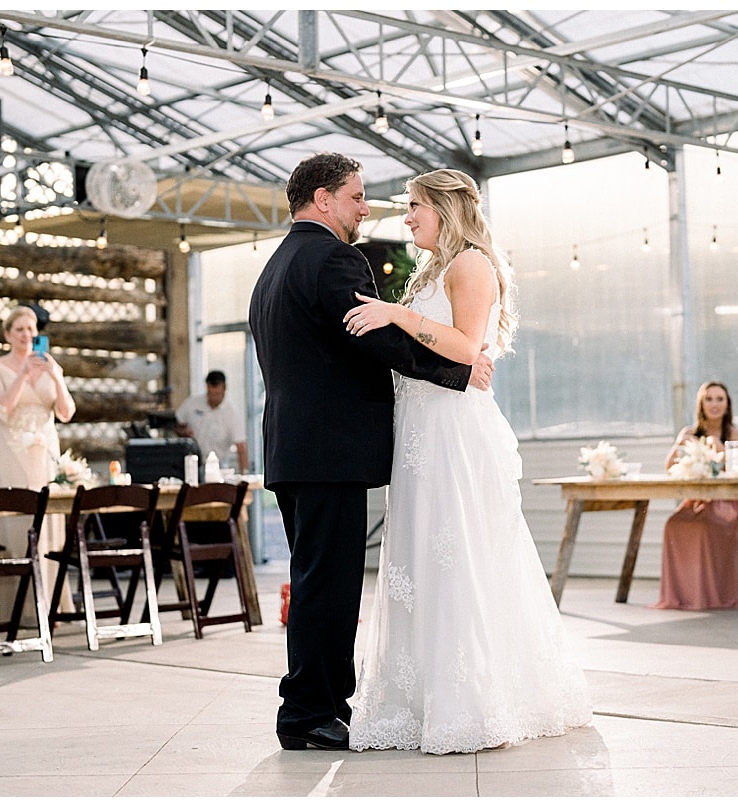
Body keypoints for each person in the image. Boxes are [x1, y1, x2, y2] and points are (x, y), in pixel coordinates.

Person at [248, 153, 493, 752]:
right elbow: (372, 338)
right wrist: (456, 373)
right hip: (329, 452)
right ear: (323, 199)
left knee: (315, 581)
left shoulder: (275, 267)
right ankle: (308, 711)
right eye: (356, 196)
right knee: (326, 586)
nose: (367, 209)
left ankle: (320, 704)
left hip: (293, 447)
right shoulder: (332, 257)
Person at [343, 168, 592, 754]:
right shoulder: (436, 267)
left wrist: (397, 315)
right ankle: (425, 694)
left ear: (445, 209)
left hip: (453, 431)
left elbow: (465, 345)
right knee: (424, 555)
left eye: (415, 207)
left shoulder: (471, 264)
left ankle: (472, 698)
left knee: (456, 551)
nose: (406, 217)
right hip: (423, 427)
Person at [0, 305, 77, 622]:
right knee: (17, 522)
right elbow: (1, 409)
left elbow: (66, 412)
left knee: (47, 520)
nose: (26, 335)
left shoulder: (48, 364)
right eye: (20, 329)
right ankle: (15, 610)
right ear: (8, 334)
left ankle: (50, 604)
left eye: (31, 329)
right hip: (10, 450)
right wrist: (23, 375)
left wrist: (55, 376)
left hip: (42, 451)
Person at [654, 381, 738, 610]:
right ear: (701, 403)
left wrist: (718, 447)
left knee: (702, 528)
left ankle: (712, 594)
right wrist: (680, 443)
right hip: (698, 500)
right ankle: (687, 594)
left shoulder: (735, 435)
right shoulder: (691, 432)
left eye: (720, 399)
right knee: (674, 524)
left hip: (731, 502)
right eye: (709, 399)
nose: (714, 404)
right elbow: (669, 466)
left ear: (727, 404)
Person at [175, 369, 249, 473]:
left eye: (217, 394)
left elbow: (241, 447)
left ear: (224, 388)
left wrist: (244, 474)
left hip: (219, 466)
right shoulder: (191, 404)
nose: (214, 397)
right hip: (191, 463)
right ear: (207, 387)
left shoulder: (231, 414)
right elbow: (177, 424)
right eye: (211, 393)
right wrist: (183, 432)